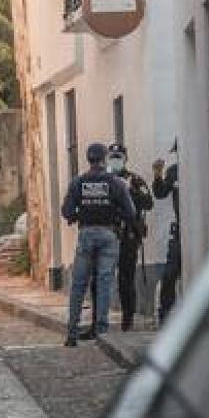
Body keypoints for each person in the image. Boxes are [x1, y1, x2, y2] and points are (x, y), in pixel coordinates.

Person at [61, 142, 136, 347]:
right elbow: (131, 212)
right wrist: (115, 213)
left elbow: (66, 211)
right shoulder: (116, 183)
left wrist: (78, 215)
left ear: (88, 159)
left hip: (86, 233)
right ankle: (102, 332)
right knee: (104, 283)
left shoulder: (78, 182)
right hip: (108, 234)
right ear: (104, 159)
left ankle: (72, 333)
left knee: (78, 284)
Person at [83, 143, 153, 335]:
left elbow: (149, 203)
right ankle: (96, 324)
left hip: (127, 238)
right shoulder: (101, 180)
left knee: (126, 280)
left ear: (125, 159)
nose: (115, 160)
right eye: (112, 156)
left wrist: (132, 192)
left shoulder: (134, 180)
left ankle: (127, 321)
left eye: (119, 156)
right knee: (98, 280)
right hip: (106, 235)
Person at [153, 140, 181, 325]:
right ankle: (165, 316)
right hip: (180, 232)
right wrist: (157, 176)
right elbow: (161, 193)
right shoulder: (174, 171)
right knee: (169, 274)